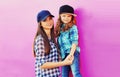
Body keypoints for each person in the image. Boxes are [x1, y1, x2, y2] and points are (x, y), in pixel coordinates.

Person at [33, 10, 74, 77]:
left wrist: (70, 54)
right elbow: (42, 65)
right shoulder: (40, 40)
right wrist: (64, 63)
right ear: (40, 24)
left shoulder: (52, 38)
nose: (49, 22)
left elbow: (54, 58)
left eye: (50, 19)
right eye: (45, 20)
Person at [55, 5, 81, 77]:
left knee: (76, 73)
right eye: (64, 16)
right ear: (60, 16)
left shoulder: (73, 27)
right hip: (63, 54)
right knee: (64, 74)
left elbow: (74, 42)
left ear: (72, 17)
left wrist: (71, 54)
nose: (66, 18)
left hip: (72, 52)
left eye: (68, 16)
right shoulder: (59, 27)